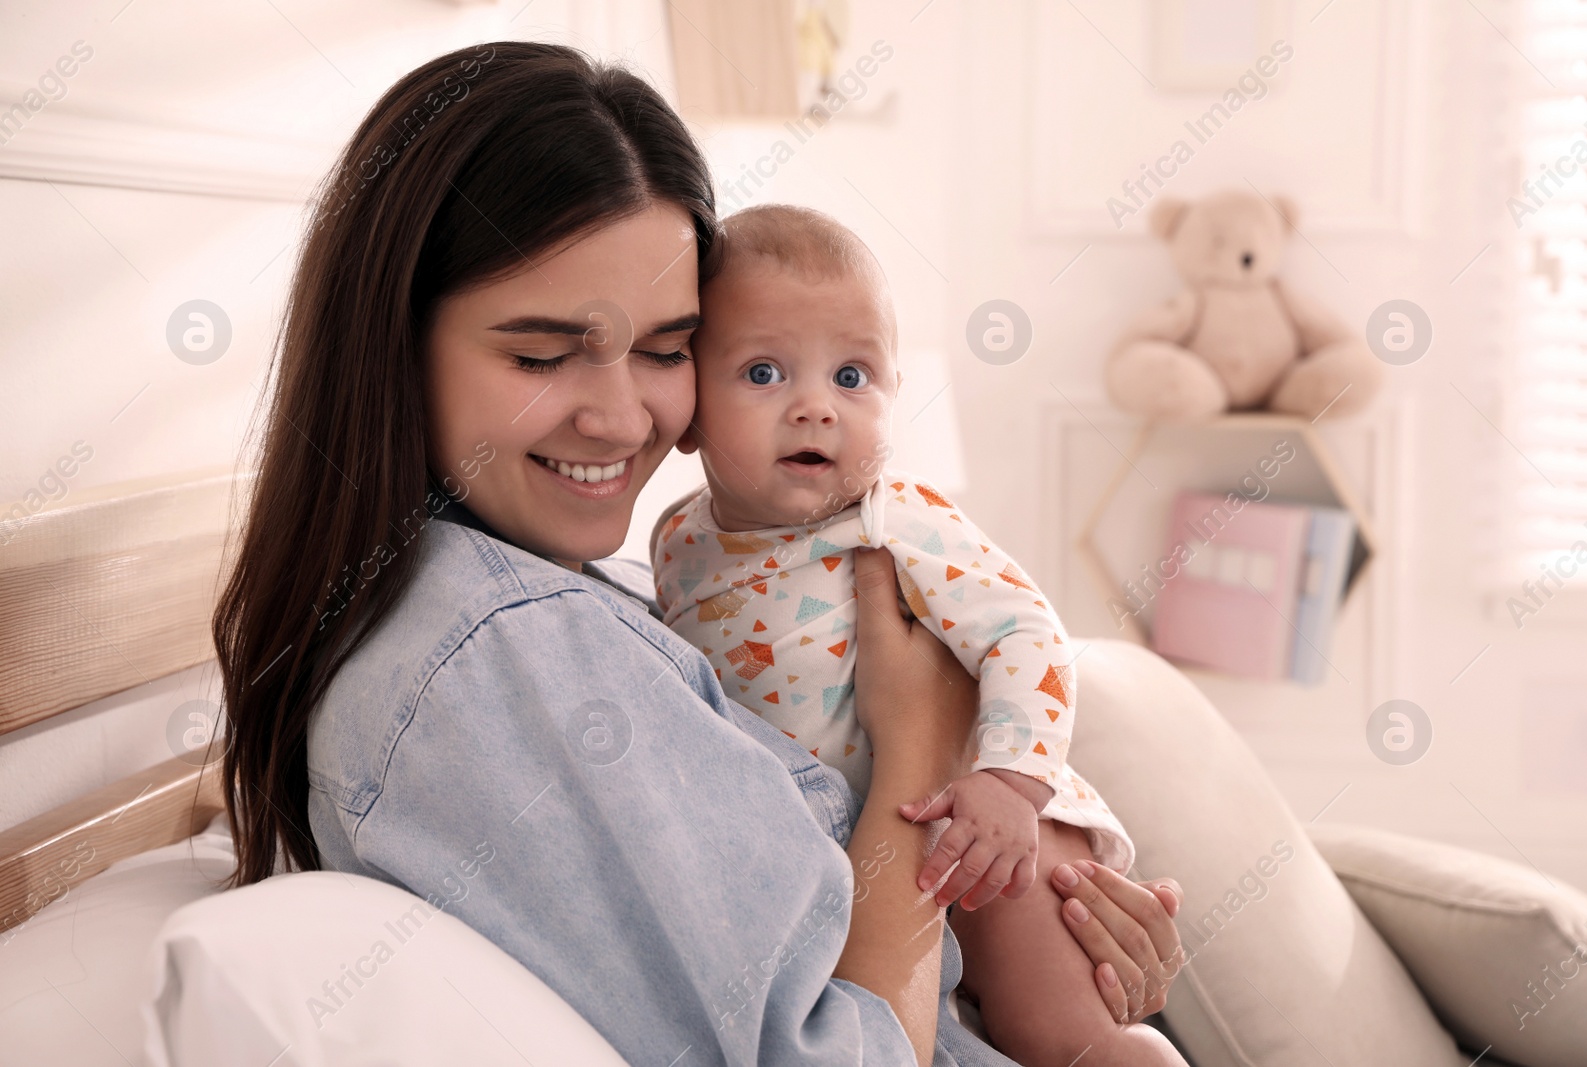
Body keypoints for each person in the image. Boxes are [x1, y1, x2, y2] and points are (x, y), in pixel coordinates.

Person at [212, 40, 1186, 1066]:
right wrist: (925, 743)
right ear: (390, 342)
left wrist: (1042, 950)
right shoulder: (505, 653)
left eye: (666, 348)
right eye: (541, 354)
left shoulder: (626, 582)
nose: (624, 414)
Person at [652, 204, 1184, 1065]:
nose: (816, 408)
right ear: (688, 408)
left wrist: (1011, 787)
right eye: (762, 372)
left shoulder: (896, 522)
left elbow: (1026, 631)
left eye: (853, 376)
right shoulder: (679, 542)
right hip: (879, 850)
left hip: (991, 825)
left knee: (1062, 1039)